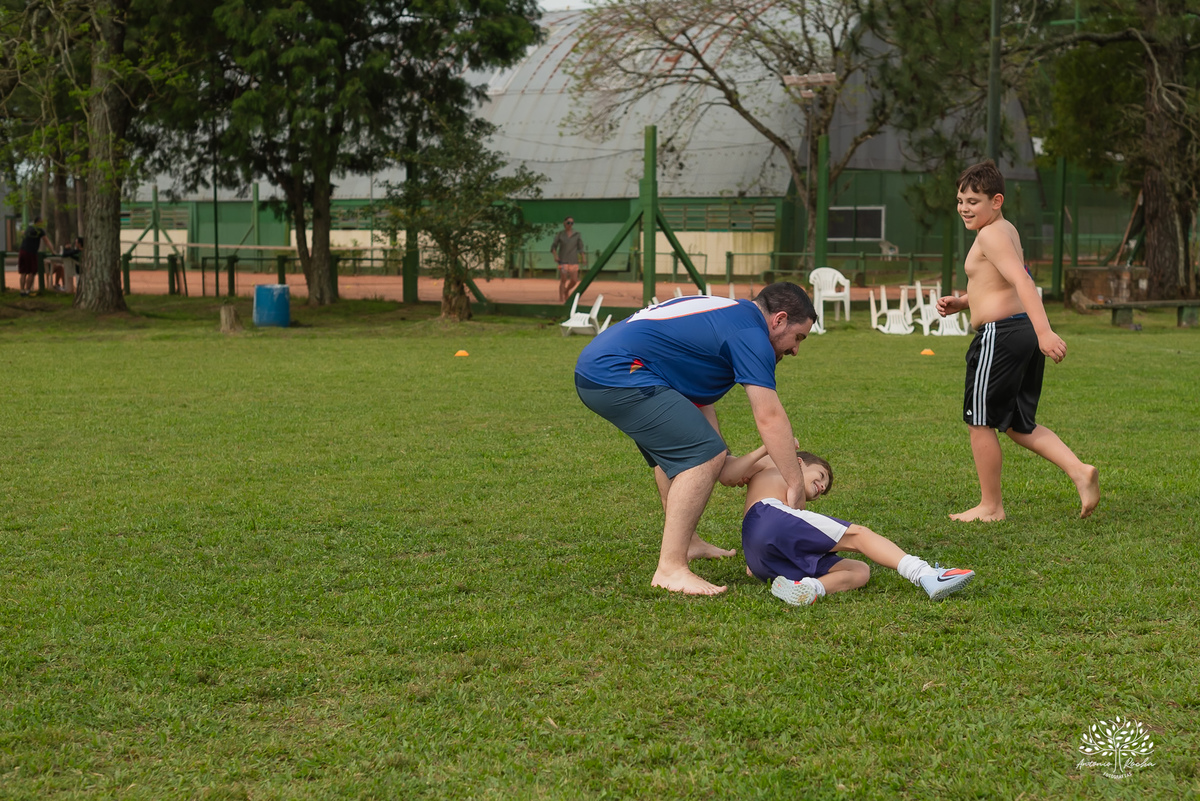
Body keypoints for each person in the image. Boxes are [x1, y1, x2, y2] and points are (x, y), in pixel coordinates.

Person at [574, 282, 817, 596]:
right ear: (779, 320)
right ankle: (670, 569)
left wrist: (750, 461)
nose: (796, 350)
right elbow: (769, 416)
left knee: (698, 454)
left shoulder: (729, 320)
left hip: (608, 369)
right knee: (704, 455)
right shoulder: (750, 334)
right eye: (798, 338)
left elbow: (723, 468)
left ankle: (686, 543)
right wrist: (795, 485)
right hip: (616, 372)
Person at [936, 160, 1099, 522]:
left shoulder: (991, 234)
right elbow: (1001, 283)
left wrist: (1046, 332)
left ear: (996, 201)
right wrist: (963, 302)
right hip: (1018, 330)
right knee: (1017, 424)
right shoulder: (1004, 229)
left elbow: (1024, 282)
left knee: (979, 420)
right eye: (960, 200)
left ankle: (990, 506)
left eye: (973, 201)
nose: (964, 207)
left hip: (1003, 335)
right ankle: (1079, 470)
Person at [721, 445, 976, 606]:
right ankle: (925, 574)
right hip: (767, 516)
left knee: (859, 570)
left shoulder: (795, 511)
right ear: (799, 462)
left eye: (822, 490)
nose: (821, 487)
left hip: (762, 559)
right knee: (859, 535)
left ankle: (809, 590)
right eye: (820, 476)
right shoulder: (775, 463)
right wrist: (768, 447)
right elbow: (728, 475)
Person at [17, 217, 54, 297]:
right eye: (42, 222)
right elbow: (47, 241)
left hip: (22, 251)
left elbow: (23, 233)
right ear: (38, 222)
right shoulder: (40, 231)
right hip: (31, 252)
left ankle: (22, 291)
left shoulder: (29, 228)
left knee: (23, 272)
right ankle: (27, 291)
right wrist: (52, 251)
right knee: (32, 272)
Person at [551, 216, 585, 303]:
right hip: (563, 260)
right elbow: (554, 246)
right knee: (563, 279)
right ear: (564, 223)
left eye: (571, 223)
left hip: (573, 260)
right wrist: (555, 256)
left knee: (574, 280)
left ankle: (566, 291)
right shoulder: (560, 234)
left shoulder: (577, 234)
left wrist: (583, 258)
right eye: (568, 223)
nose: (569, 225)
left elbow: (580, 247)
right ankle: (561, 298)